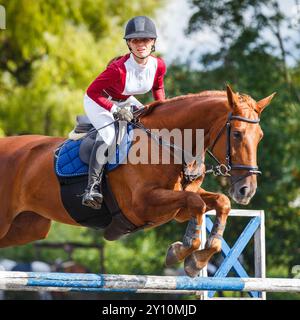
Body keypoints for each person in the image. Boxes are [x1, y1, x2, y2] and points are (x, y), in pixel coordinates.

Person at [82, 16, 167, 209]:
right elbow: (92, 92)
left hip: (125, 99)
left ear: (153, 42)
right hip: (100, 101)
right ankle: (92, 187)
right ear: (129, 43)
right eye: (135, 40)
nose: (140, 44)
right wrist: (114, 109)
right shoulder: (118, 69)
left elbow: (158, 87)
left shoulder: (159, 65)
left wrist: (163, 109)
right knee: (109, 136)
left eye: (145, 39)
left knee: (149, 126)